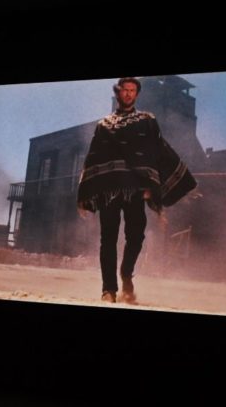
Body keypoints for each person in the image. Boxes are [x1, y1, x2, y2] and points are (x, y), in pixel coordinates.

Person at [77, 77, 196, 304]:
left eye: (133, 90)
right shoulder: (103, 125)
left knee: (136, 236)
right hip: (109, 190)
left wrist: (153, 184)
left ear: (137, 94)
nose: (129, 94)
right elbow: (93, 157)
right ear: (118, 92)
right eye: (125, 90)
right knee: (108, 239)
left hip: (136, 189)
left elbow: (159, 151)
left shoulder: (147, 121)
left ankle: (126, 273)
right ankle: (108, 290)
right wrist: (85, 192)